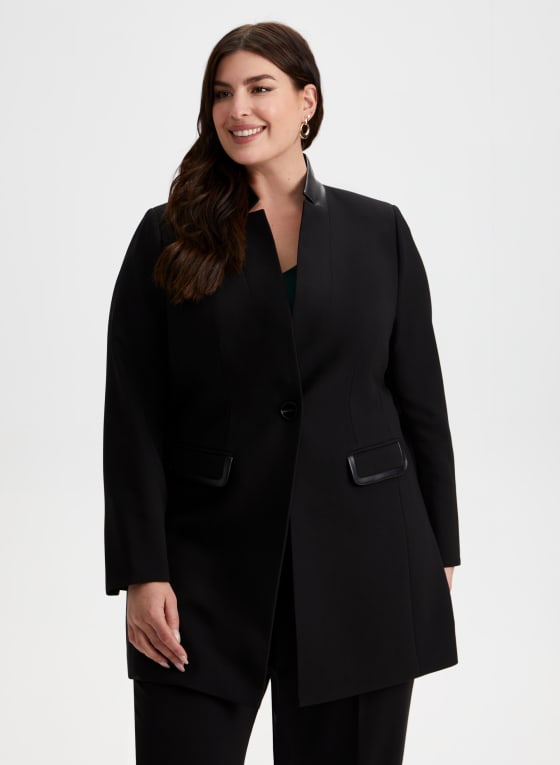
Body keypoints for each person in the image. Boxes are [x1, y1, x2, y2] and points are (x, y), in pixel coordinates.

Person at [103, 20, 461, 765]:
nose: (238, 108)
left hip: (364, 557)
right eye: (221, 93)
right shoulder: (166, 236)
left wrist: (439, 547)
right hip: (204, 567)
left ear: (307, 102)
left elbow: (421, 400)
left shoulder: (379, 231)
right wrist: (142, 569)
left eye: (259, 88)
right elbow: (132, 415)